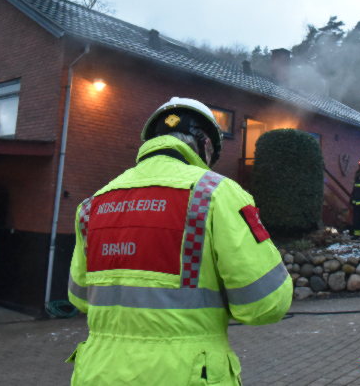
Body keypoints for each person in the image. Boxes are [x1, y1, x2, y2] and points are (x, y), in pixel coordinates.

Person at [67, 97, 292, 385]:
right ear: (207, 146)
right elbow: (266, 303)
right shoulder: (216, 194)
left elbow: (79, 297)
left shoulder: (92, 205)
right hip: (186, 373)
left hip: (97, 373)